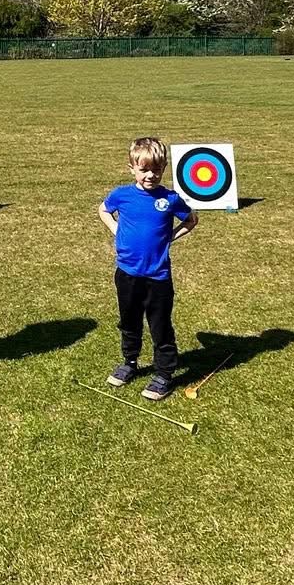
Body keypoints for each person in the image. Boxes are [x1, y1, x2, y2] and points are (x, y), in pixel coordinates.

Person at [100, 137, 199, 400]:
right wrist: (115, 229)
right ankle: (129, 363)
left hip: (158, 277)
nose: (150, 175)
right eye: (144, 169)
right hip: (127, 274)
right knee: (129, 321)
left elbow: (191, 219)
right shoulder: (121, 195)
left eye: (156, 169)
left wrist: (172, 237)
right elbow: (103, 210)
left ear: (164, 167)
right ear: (131, 167)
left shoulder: (170, 199)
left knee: (160, 326)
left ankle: (164, 374)